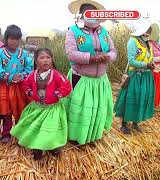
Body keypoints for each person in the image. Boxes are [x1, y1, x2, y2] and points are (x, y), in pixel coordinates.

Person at [64, 0, 117, 145]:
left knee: (96, 109)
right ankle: (76, 137)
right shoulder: (73, 31)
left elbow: (113, 51)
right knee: (80, 110)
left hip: (100, 80)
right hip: (81, 78)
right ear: (81, 15)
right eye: (87, 12)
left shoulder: (104, 31)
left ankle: (92, 135)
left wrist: (107, 57)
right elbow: (71, 54)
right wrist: (91, 58)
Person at [10, 48, 71, 160]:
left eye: (48, 57)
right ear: (36, 61)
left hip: (52, 109)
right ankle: (37, 148)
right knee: (36, 129)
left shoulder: (56, 75)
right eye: (42, 58)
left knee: (50, 129)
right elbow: (25, 85)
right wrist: (30, 92)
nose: (45, 60)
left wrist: (57, 94)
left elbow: (66, 86)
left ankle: (52, 146)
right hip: (37, 107)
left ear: (52, 60)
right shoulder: (32, 75)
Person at [114, 21, 156, 134]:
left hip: (146, 77)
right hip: (135, 76)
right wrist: (146, 65)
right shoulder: (133, 42)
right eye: (148, 30)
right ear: (142, 29)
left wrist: (151, 64)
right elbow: (132, 61)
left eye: (150, 31)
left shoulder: (149, 44)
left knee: (142, 98)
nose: (149, 33)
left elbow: (150, 58)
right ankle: (123, 124)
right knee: (130, 98)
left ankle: (136, 122)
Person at [0, 25, 33, 142]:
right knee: (6, 111)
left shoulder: (24, 53)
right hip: (5, 87)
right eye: (11, 38)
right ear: (6, 39)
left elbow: (29, 68)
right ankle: (6, 133)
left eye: (17, 39)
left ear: (20, 39)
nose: (14, 41)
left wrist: (22, 76)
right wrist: (10, 77)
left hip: (20, 87)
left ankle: (20, 132)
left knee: (21, 109)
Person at [149, 24, 160, 110]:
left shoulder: (157, 43)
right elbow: (149, 58)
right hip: (153, 70)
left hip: (158, 70)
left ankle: (155, 104)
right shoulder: (149, 44)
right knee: (153, 88)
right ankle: (151, 105)